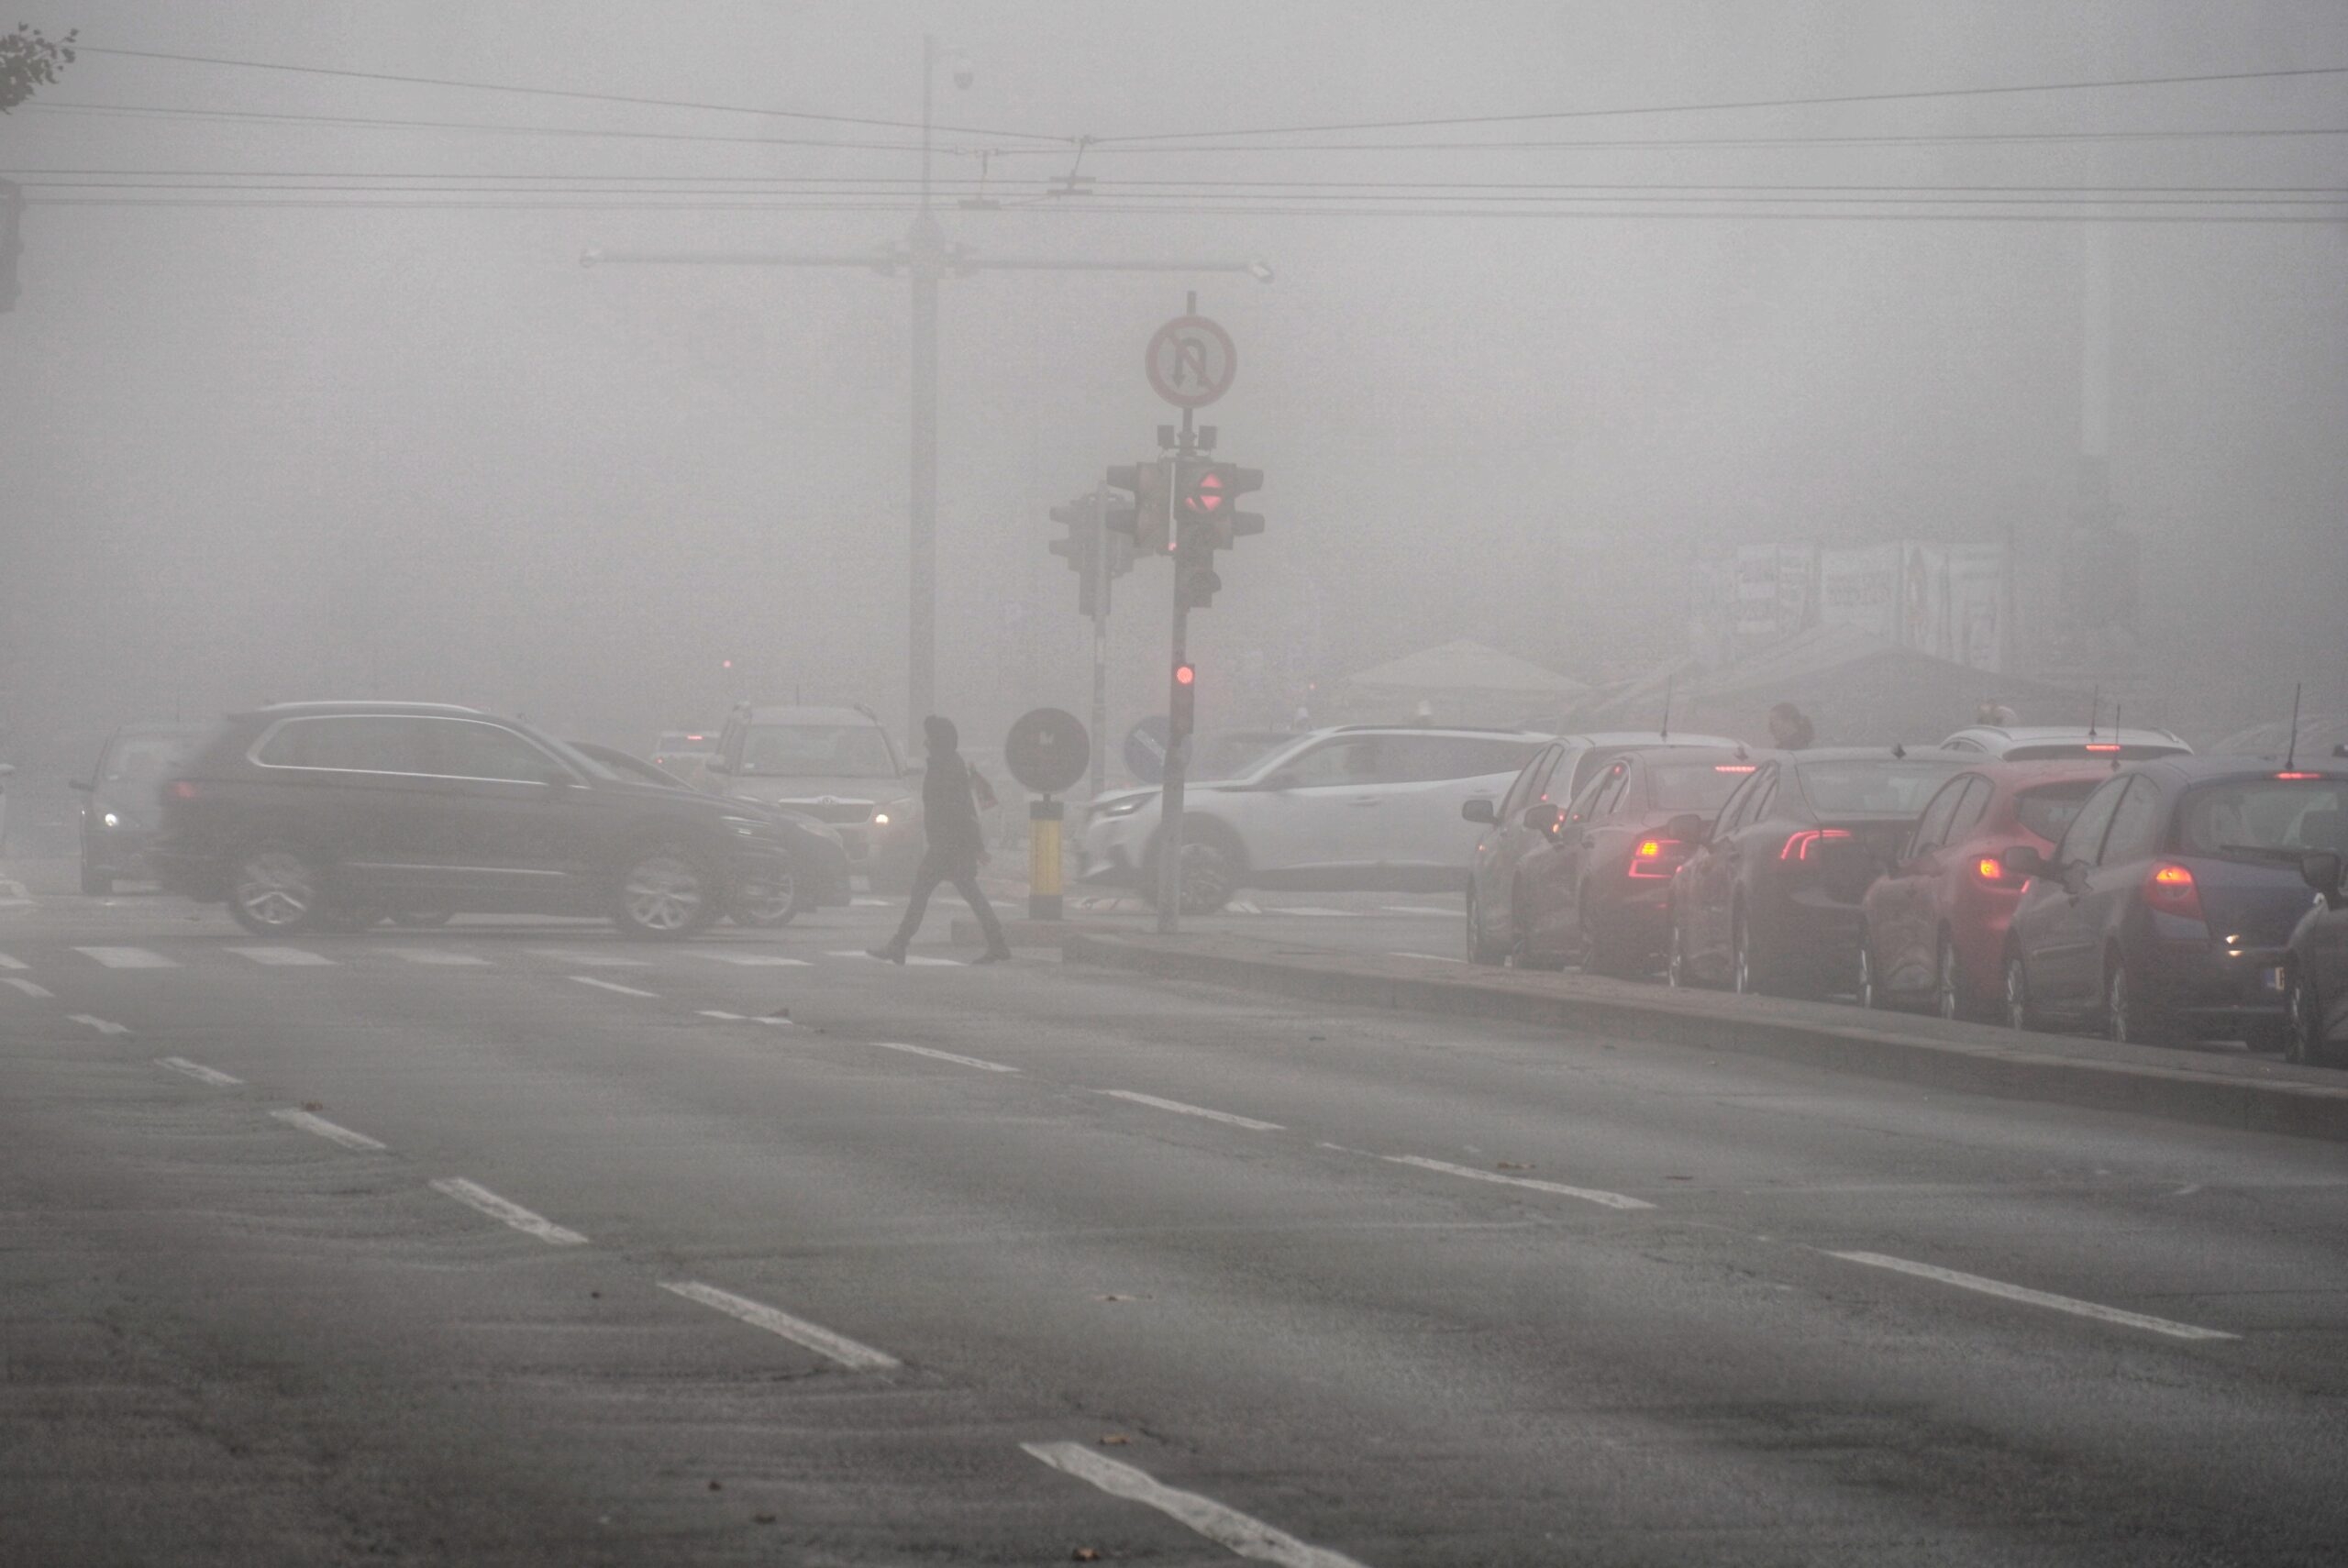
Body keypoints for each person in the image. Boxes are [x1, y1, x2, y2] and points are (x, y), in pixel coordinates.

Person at [868, 716, 1012, 965]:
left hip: (948, 845)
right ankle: (997, 944)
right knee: (966, 893)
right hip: (950, 844)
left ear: (938, 741)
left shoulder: (947, 767)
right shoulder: (947, 764)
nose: (925, 743)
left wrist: (976, 846)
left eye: (929, 738)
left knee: (923, 892)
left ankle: (899, 944)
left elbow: (961, 810)